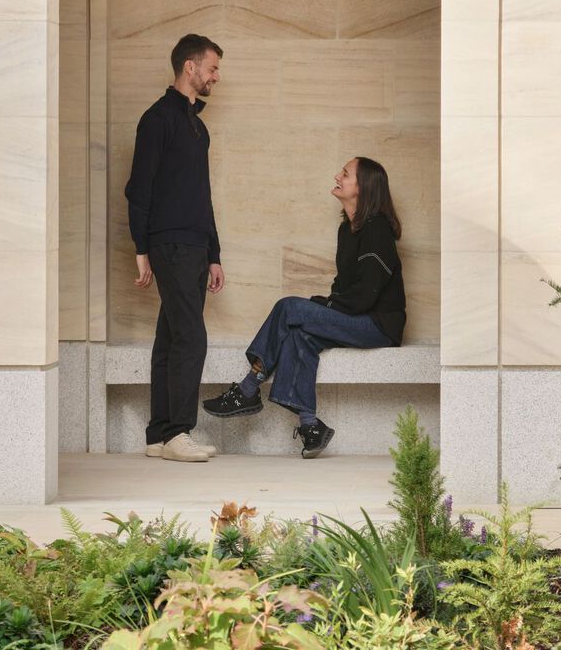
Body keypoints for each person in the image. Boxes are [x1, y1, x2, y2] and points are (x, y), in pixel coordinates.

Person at [203, 155, 407, 458]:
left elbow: (366, 295)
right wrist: (324, 307)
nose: (338, 175)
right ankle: (311, 426)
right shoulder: (348, 230)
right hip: (357, 318)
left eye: (346, 173)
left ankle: (248, 388)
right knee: (300, 335)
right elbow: (344, 286)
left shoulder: (376, 229)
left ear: (362, 187)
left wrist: (322, 307)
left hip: (378, 325)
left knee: (289, 308)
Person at [125, 33, 227, 463]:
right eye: (212, 68)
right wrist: (141, 248)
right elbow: (138, 188)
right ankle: (179, 432)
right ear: (190, 67)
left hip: (195, 246)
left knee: (170, 337)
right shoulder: (157, 118)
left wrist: (215, 253)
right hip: (170, 245)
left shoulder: (197, 126)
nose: (215, 77)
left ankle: (159, 433)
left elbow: (202, 196)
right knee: (191, 337)